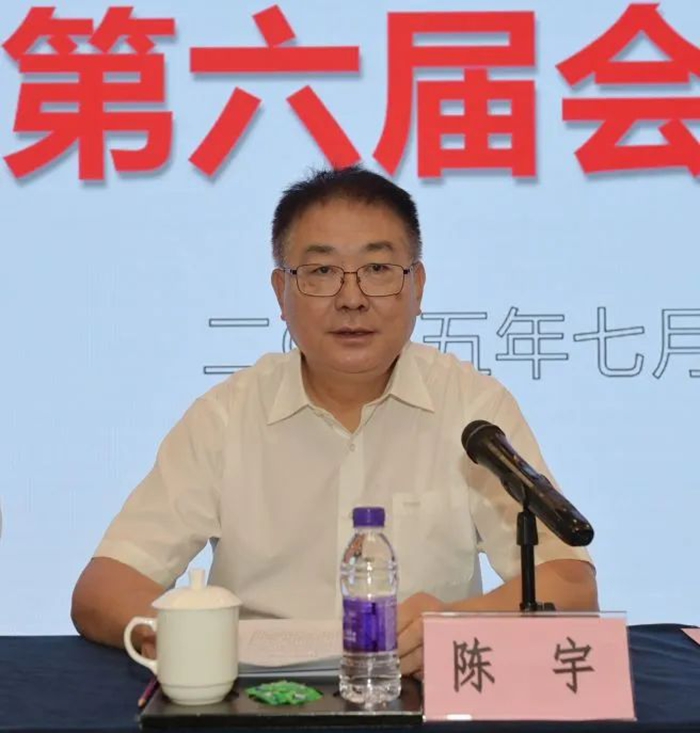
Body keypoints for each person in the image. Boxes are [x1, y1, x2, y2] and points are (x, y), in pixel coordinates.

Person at [72, 166, 597, 676]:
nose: (351, 299)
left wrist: (452, 625)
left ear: (417, 286)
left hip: (415, 689)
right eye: (321, 272)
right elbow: (104, 587)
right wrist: (177, 637)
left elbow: (570, 583)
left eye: (378, 269)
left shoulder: (471, 407)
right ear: (281, 292)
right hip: (257, 698)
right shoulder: (226, 416)